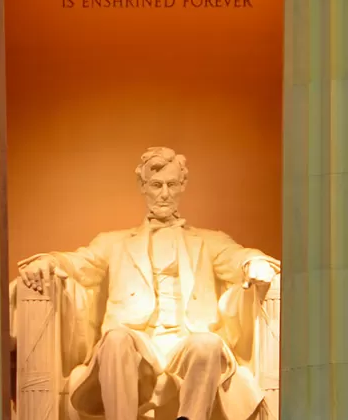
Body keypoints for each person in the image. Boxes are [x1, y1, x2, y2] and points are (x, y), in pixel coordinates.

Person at [18, 147, 279, 420]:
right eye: (156, 185)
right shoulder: (114, 242)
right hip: (137, 343)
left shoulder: (209, 241)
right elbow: (80, 262)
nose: (164, 193)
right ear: (142, 186)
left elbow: (238, 257)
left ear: (183, 185)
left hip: (186, 340)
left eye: (172, 185)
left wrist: (255, 263)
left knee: (208, 344)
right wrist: (50, 261)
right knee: (115, 339)